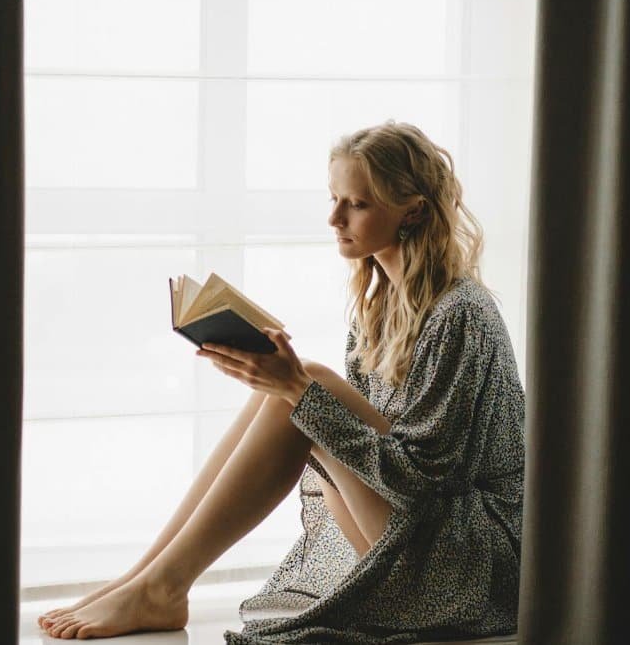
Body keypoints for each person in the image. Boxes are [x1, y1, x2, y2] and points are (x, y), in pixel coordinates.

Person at [38, 120, 525, 643]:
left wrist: (298, 389)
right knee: (288, 391)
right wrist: (284, 386)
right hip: (410, 534)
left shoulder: (462, 313)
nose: (335, 218)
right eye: (334, 198)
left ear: (415, 210)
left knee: (304, 384)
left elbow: (422, 481)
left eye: (357, 204)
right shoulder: (379, 307)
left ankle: (162, 586)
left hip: (471, 565)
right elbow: (364, 452)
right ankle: (144, 578)